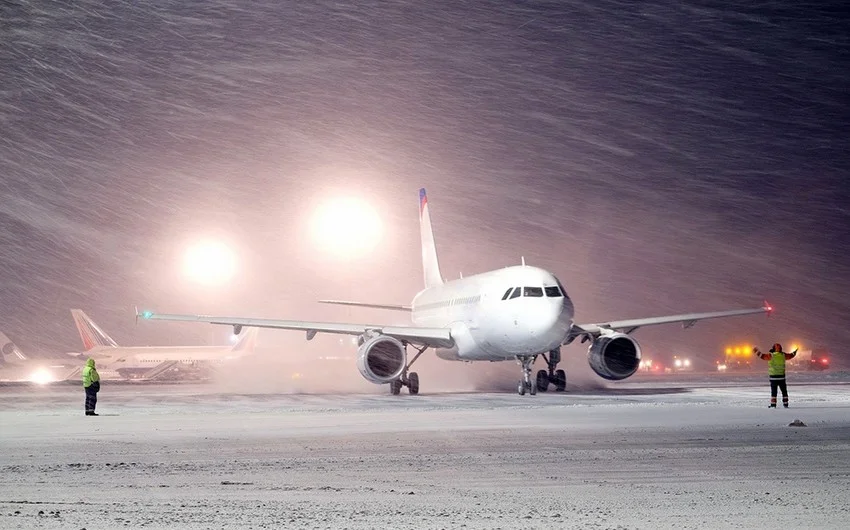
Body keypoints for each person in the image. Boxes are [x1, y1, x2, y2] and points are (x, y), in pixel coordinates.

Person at [753, 343, 797, 408]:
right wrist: (795, 352)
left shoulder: (771, 356)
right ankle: (785, 404)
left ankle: (773, 404)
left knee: (774, 392)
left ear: (773, 348)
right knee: (784, 391)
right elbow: (791, 356)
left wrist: (756, 351)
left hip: (773, 377)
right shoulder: (783, 355)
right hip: (782, 377)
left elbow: (762, 356)